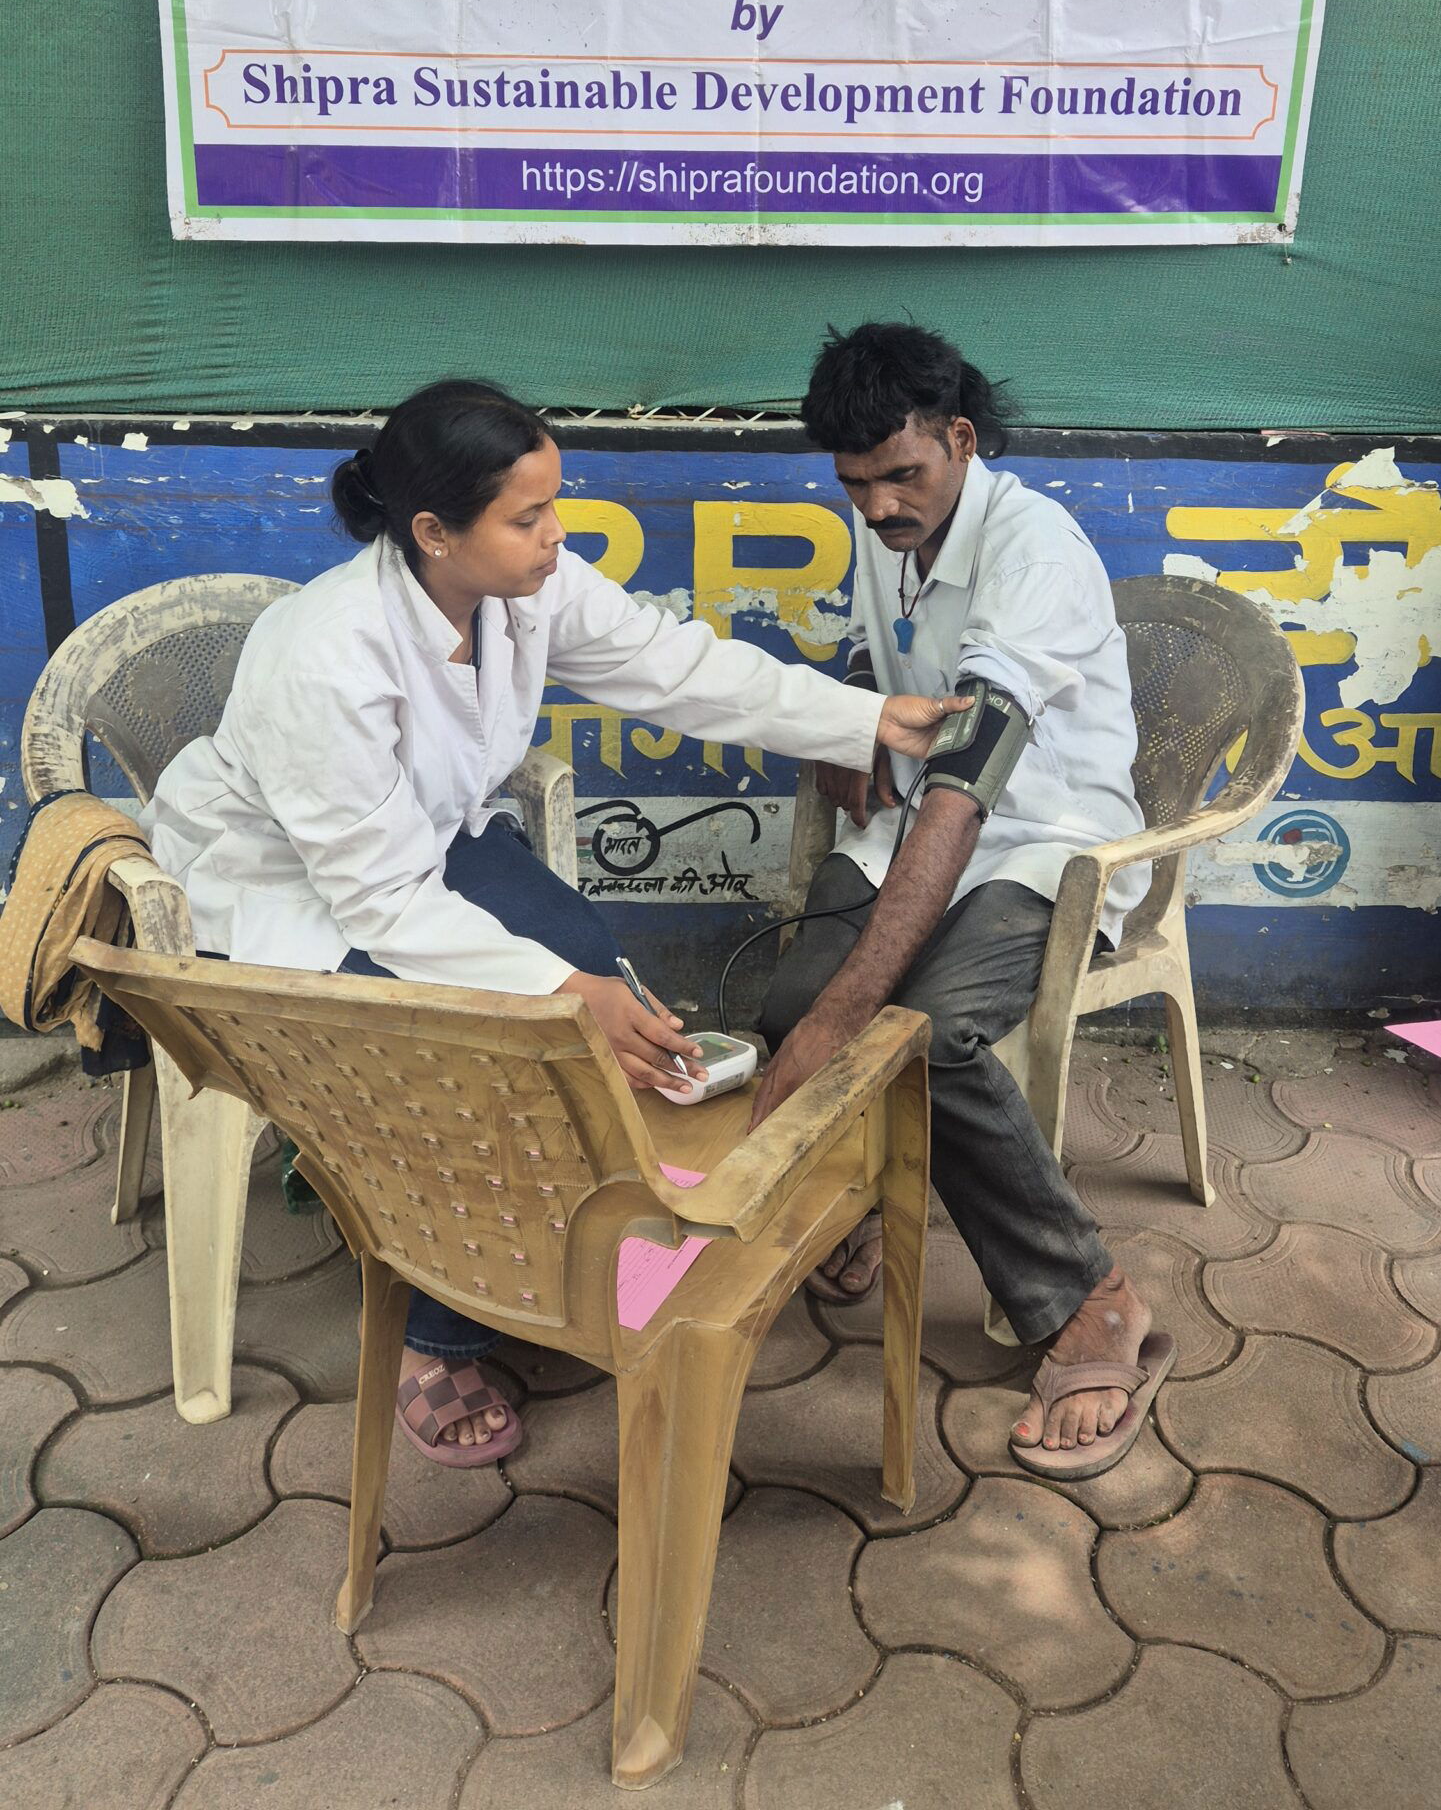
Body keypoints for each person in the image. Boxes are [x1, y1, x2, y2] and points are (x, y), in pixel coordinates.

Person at [142, 376, 958, 1467]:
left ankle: (559, 1243)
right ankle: (437, 1333)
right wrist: (563, 996)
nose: (555, 534)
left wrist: (869, 719)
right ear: (433, 532)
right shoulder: (325, 655)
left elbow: (676, 667)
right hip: (280, 886)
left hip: (425, 842)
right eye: (526, 517)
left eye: (553, 504)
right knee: (495, 1049)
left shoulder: (526, 587)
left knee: (597, 979)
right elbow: (378, 899)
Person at [751, 322, 1169, 1482]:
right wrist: (848, 723)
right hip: (915, 821)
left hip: (1043, 838)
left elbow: (967, 790)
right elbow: (878, 653)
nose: (878, 505)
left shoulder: (1034, 553)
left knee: (920, 1035)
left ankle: (1090, 1299)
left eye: (901, 475)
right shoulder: (883, 522)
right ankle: (865, 1199)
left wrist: (851, 1010)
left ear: (960, 439)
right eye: (855, 484)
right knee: (784, 1009)